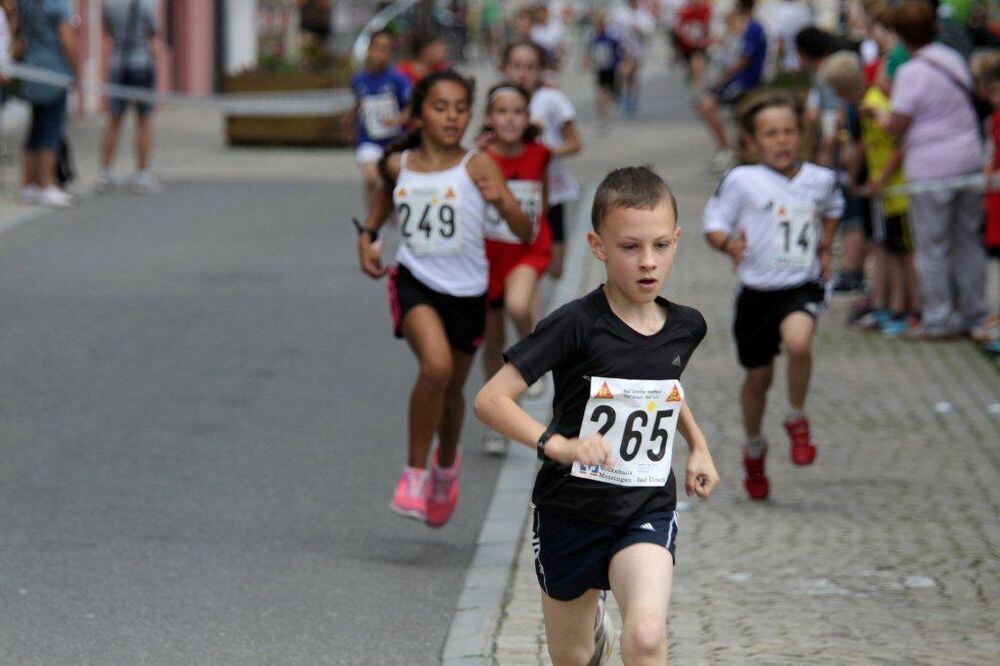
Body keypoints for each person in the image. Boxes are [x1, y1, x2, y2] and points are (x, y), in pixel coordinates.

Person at [475, 166, 720, 665]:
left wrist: (698, 446)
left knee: (647, 638)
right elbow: (490, 400)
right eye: (630, 247)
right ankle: (592, 630)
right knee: (575, 658)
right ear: (598, 245)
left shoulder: (685, 327)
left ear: (677, 240)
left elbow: (662, 389)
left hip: (644, 508)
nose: (648, 262)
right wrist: (556, 445)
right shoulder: (574, 325)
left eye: (660, 246)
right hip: (570, 512)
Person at [356, 70, 532, 527]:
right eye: (440, 107)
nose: (452, 117)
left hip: (468, 292)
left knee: (453, 389)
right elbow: (379, 206)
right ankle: (414, 472)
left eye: (460, 108)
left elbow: (523, 231)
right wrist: (369, 239)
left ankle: (446, 462)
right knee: (434, 368)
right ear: (418, 114)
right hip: (415, 281)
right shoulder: (400, 165)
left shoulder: (478, 165)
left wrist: (504, 202)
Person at [703, 93, 844, 500]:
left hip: (802, 284)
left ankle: (797, 419)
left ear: (801, 135)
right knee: (757, 379)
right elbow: (713, 223)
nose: (781, 141)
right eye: (770, 134)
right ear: (751, 142)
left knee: (799, 341)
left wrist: (826, 245)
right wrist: (728, 244)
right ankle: (753, 448)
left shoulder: (820, 178)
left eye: (788, 132)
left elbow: (834, 206)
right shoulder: (742, 180)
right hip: (756, 293)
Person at [881, 0, 989, 341]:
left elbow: (897, 124)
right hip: (969, 158)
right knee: (968, 240)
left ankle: (939, 318)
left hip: (931, 167)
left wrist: (879, 117)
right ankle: (974, 313)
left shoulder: (911, 73)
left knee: (933, 246)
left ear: (900, 34)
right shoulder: (953, 58)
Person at [821, 51, 920, 336]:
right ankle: (892, 304)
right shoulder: (865, 104)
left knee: (902, 253)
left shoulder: (874, 105)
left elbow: (896, 145)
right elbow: (869, 145)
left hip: (896, 191)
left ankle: (909, 309)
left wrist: (882, 178)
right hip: (885, 193)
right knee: (887, 248)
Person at [478, 83, 552, 455]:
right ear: (489, 119)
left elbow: (545, 197)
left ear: (528, 118)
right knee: (491, 343)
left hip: (526, 248)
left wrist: (551, 240)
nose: (509, 118)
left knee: (519, 306)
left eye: (517, 112)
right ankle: (497, 422)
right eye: (502, 112)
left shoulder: (540, 153)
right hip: (487, 255)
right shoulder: (478, 158)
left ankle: (534, 361)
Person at [501, 41, 582, 279]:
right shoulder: (500, 100)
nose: (522, 73)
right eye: (516, 66)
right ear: (505, 68)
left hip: (553, 193)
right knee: (523, 268)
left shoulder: (551, 99)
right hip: (516, 194)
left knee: (556, 270)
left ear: (540, 69)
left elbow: (576, 143)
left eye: (530, 66)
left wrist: (542, 153)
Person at [17, 0, 78, 208]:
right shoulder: (59, 4)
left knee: (35, 129)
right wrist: (76, 70)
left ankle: (29, 184)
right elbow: (67, 39)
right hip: (54, 71)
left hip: (31, 68)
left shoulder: (26, 3)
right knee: (50, 130)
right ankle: (46, 184)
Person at [696, 0, 768, 172]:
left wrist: (723, 78)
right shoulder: (745, 28)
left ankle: (726, 149)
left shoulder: (752, 28)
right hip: (739, 80)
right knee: (703, 104)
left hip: (745, 82)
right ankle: (727, 149)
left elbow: (743, 60)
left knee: (706, 105)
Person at [98, 0, 160, 195]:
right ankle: (142, 173)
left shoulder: (109, 4)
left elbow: (107, 30)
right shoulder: (147, 4)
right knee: (144, 120)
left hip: (117, 65)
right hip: (141, 65)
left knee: (113, 121)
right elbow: (153, 31)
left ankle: (106, 172)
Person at [348, 29, 410, 212]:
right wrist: (350, 119)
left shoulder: (398, 80)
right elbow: (359, 103)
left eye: (385, 49)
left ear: (390, 53)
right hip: (369, 140)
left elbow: (411, 107)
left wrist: (398, 120)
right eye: (376, 48)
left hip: (394, 141)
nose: (379, 54)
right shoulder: (359, 79)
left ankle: (388, 204)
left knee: (396, 176)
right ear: (368, 49)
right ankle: (372, 224)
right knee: (370, 177)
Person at [609, 0, 656, 116]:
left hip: (637, 51)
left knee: (633, 77)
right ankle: (621, 94)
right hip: (623, 50)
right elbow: (612, 29)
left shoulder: (643, 14)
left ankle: (631, 98)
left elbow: (649, 31)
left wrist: (638, 29)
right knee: (624, 71)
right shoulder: (619, 12)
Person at [584, 10, 625, 131]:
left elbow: (619, 52)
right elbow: (589, 52)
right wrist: (587, 61)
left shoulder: (611, 37)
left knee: (610, 94)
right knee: (600, 94)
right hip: (600, 69)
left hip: (611, 68)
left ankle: (606, 115)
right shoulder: (593, 38)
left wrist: (621, 63)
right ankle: (603, 118)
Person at [672, 0, 712, 89]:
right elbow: (677, 29)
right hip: (687, 45)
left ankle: (699, 84)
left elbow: (709, 26)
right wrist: (687, 39)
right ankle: (693, 76)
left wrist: (706, 40)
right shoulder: (684, 10)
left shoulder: (707, 9)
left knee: (697, 61)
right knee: (693, 63)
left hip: (700, 43)